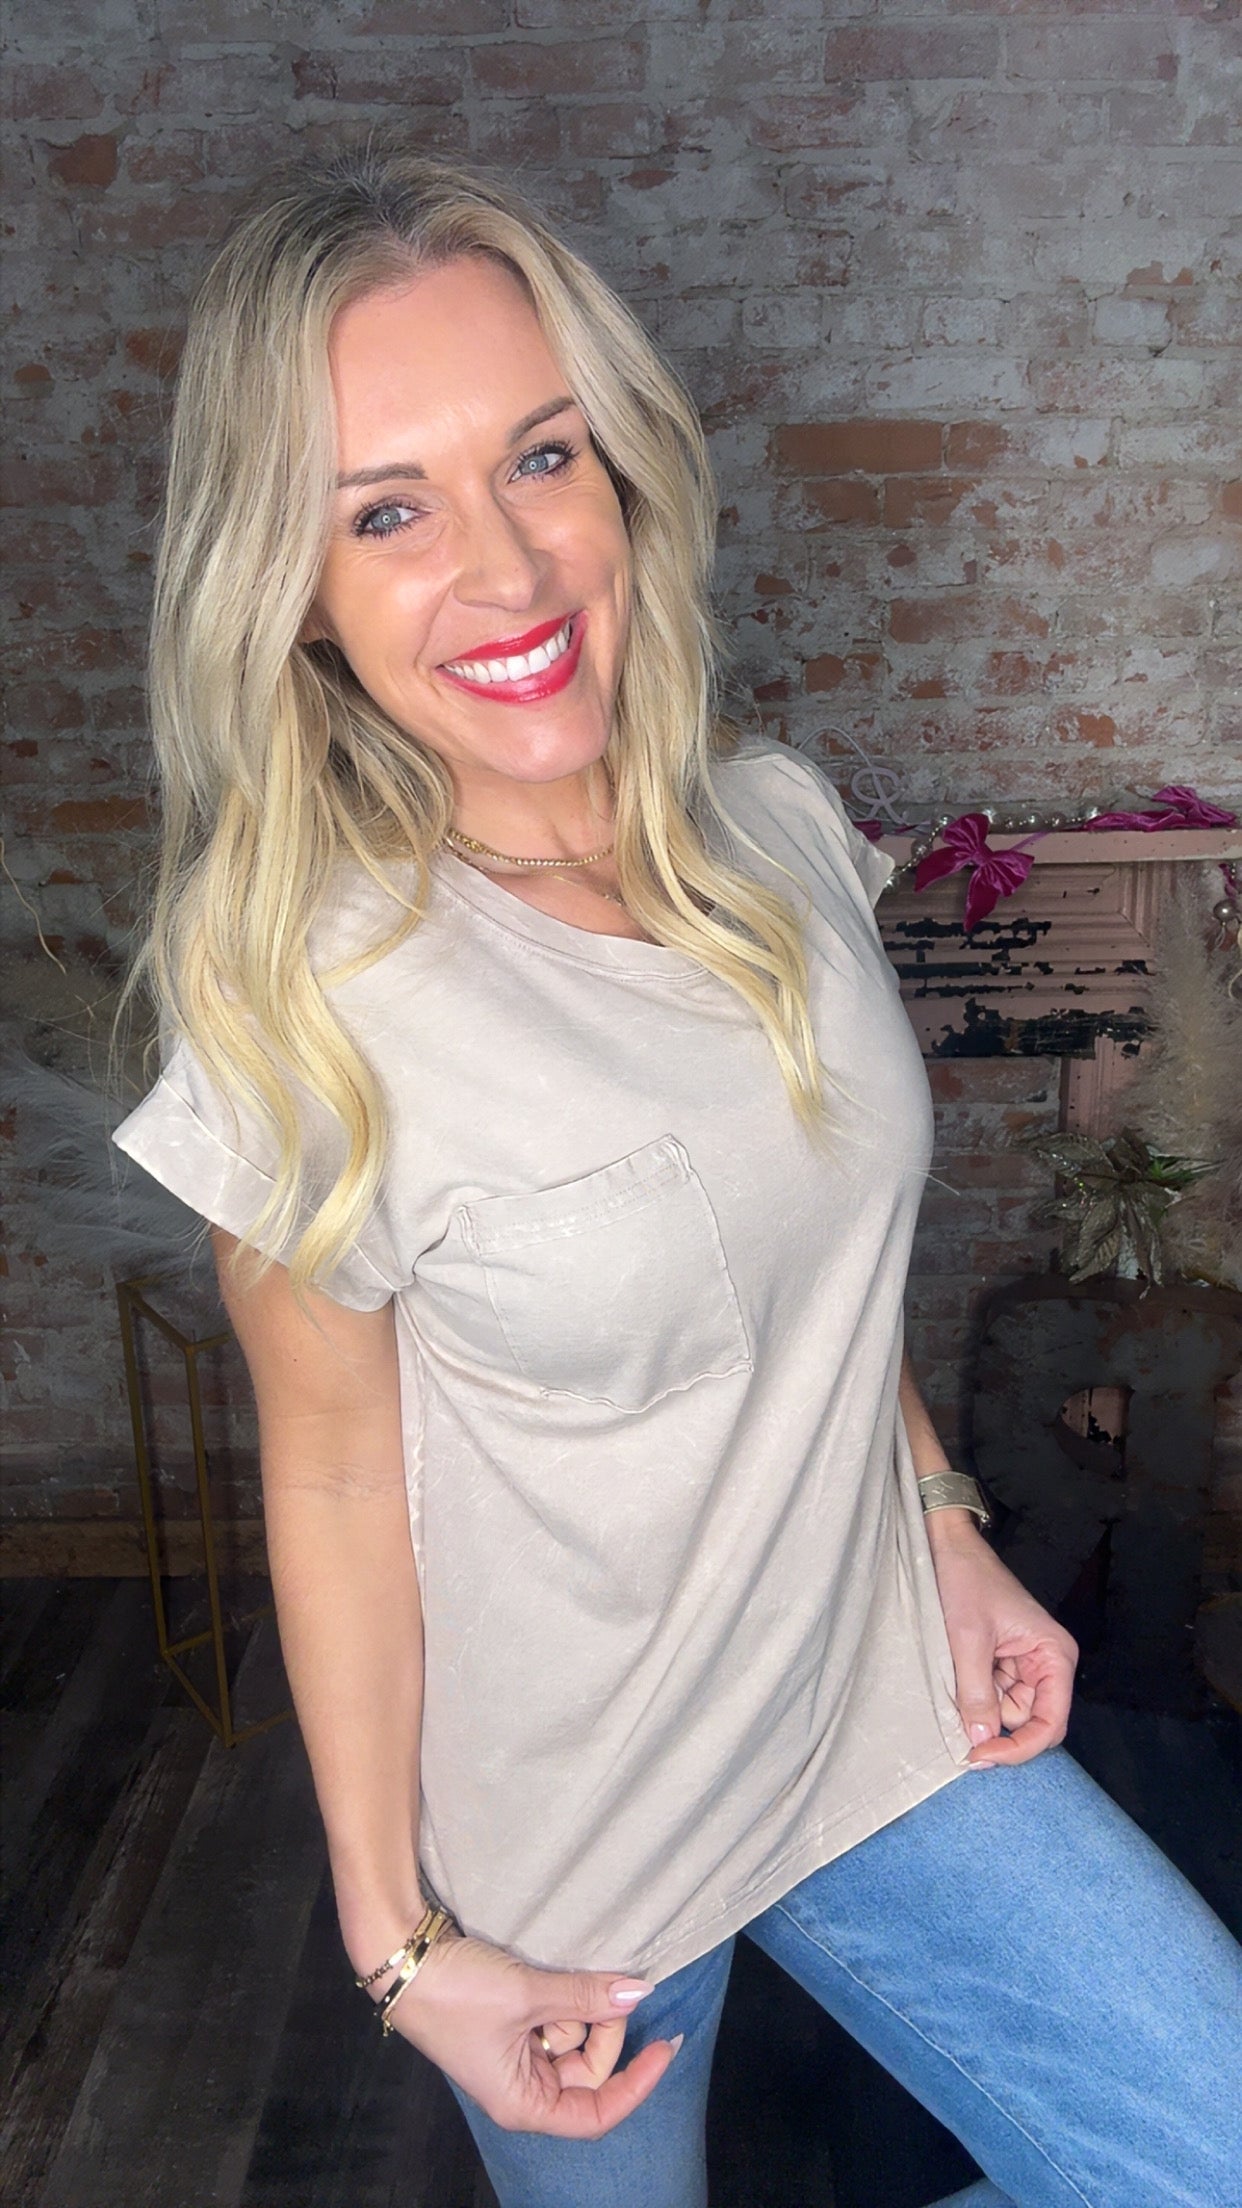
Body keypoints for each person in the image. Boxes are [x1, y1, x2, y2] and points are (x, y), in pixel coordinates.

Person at [114, 140, 1241, 2208]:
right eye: (387, 510)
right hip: (582, 1851)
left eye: (540, 458)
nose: (508, 569)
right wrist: (399, 1941)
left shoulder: (778, 834)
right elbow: (338, 1477)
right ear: (292, 589)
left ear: (624, 470)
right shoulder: (304, 1003)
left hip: (875, 1702)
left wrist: (944, 1525)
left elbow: (806, 1254)